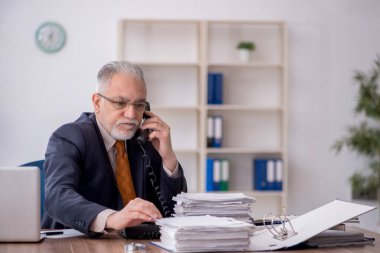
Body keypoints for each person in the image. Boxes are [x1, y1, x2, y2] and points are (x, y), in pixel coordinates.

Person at [42, 61, 187, 236]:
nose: (131, 115)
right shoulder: (69, 137)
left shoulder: (144, 141)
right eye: (120, 103)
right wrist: (112, 219)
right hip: (74, 243)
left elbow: (177, 210)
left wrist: (168, 158)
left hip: (136, 244)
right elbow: (57, 197)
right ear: (97, 103)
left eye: (139, 105)